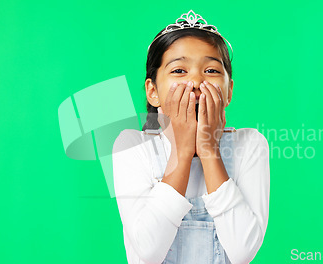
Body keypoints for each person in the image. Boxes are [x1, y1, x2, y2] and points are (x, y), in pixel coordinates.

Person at [112, 10, 270, 264]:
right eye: (178, 71)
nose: (196, 80)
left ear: (228, 91)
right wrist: (182, 151)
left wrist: (208, 149)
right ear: (153, 91)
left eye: (210, 70)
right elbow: (149, 252)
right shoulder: (131, 146)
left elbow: (243, 252)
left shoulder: (249, 144)